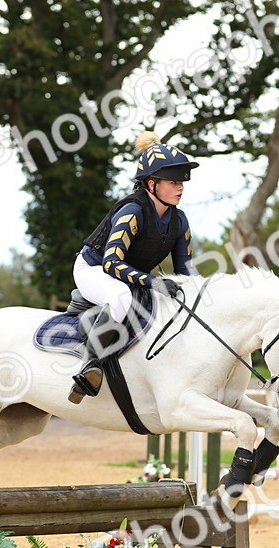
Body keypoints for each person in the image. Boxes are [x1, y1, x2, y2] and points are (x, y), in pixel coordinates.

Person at [68, 130, 199, 403]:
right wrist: (153, 282)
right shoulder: (133, 211)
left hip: (128, 275)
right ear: (151, 185)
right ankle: (89, 367)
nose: (181, 187)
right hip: (94, 270)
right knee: (120, 296)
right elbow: (111, 263)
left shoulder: (179, 221)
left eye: (182, 181)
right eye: (173, 181)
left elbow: (186, 271)